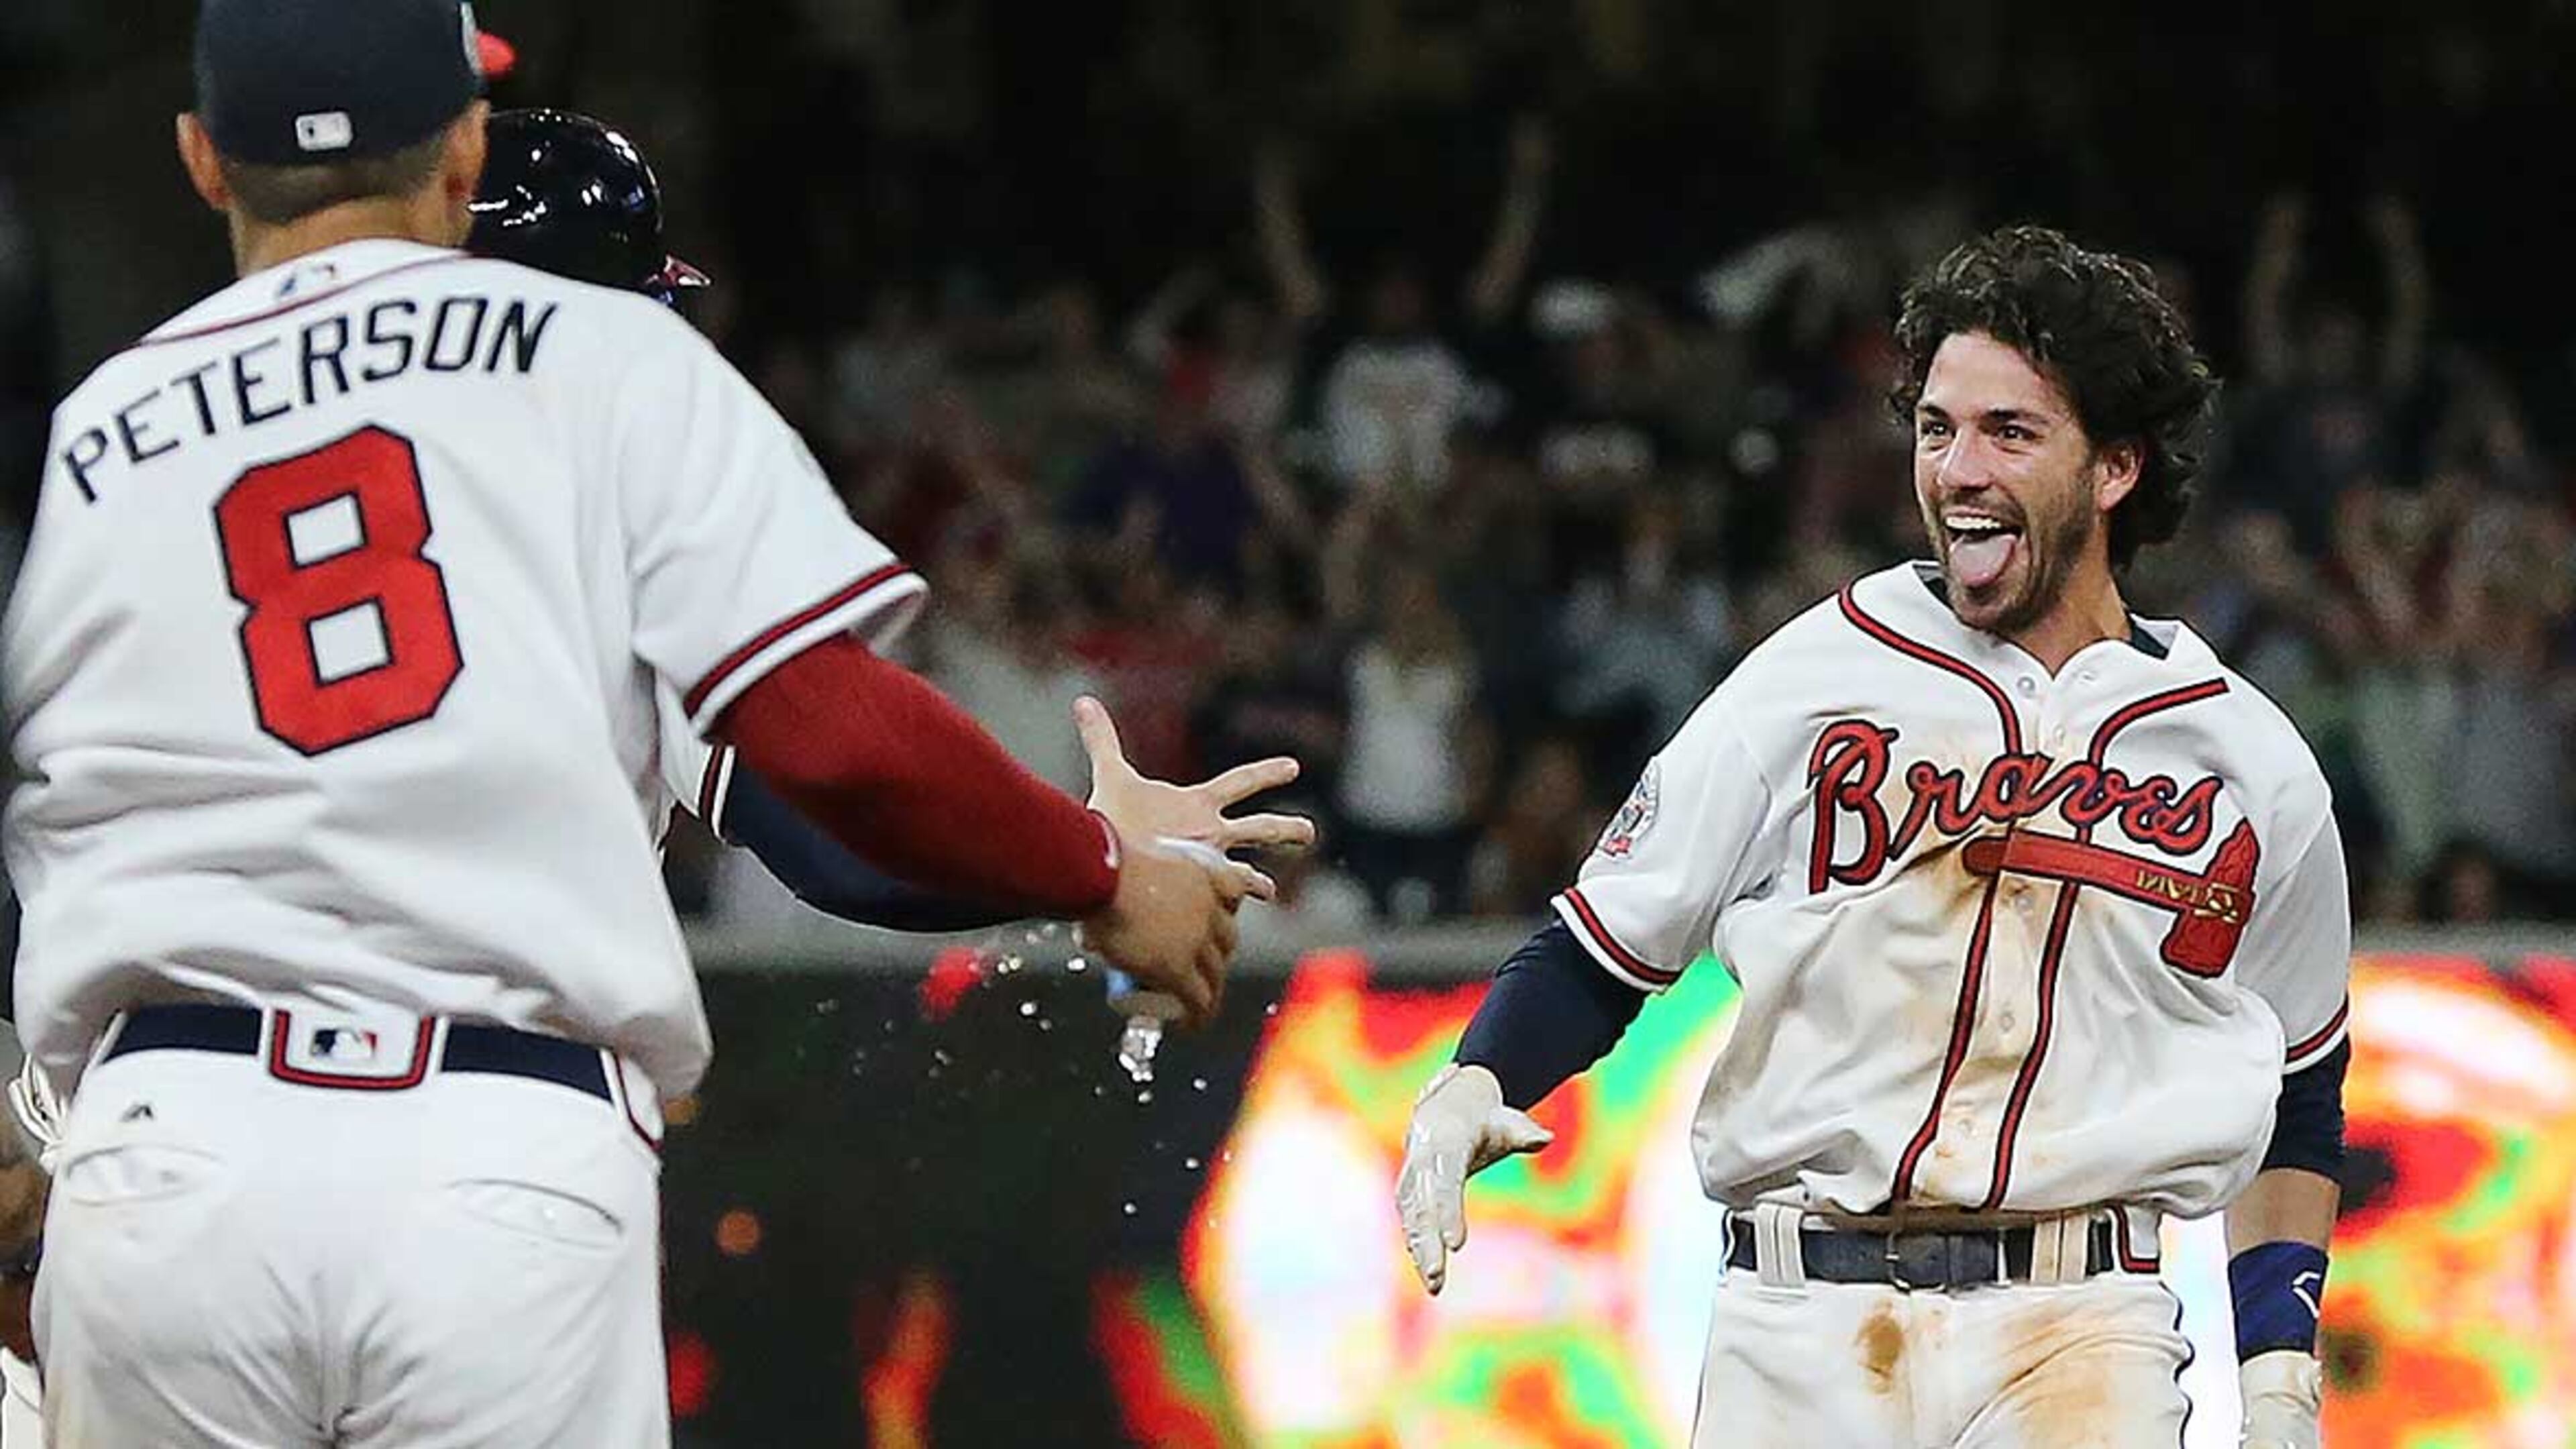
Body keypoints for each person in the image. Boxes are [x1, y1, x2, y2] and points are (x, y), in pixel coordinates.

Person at [0, 5, 1277, 1446]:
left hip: (168, 1159)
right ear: (458, 158)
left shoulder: (112, 430)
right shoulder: (586, 394)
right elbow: (835, 782)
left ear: (201, 161)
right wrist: (1098, 865)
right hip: (484, 1163)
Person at [1397, 226, 2349, 1449]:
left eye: (2010, 432)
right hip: (1800, 1330)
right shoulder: (1816, 671)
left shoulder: (2249, 761)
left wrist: (2279, 1374)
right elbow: (1605, 944)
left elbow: (2297, 1094)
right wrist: (1481, 1074)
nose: (1958, 467)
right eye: (1937, 428)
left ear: (2115, 468)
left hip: (2083, 1325)